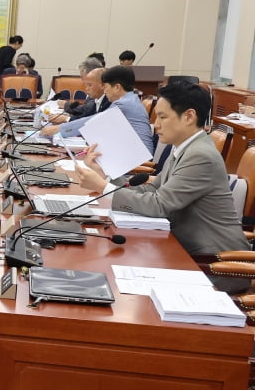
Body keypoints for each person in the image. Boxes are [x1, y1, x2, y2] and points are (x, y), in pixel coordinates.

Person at [75, 81, 248, 292]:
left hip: (215, 265)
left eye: (163, 117)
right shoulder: (185, 148)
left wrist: (103, 188)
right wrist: (107, 177)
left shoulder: (200, 155)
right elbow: (151, 191)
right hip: (184, 250)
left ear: (189, 116)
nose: (156, 125)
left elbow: (159, 205)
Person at [41, 65, 154, 153]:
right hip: (128, 154)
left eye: (106, 87)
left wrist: (59, 129)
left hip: (137, 162)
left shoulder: (124, 104)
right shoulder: (129, 99)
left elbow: (95, 121)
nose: (104, 91)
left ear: (117, 87)